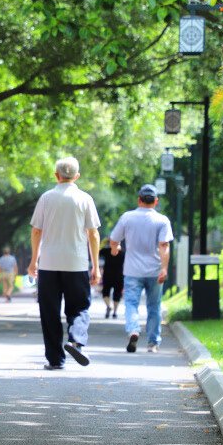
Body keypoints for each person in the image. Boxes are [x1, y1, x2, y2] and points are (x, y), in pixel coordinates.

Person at [28, 157, 101, 370]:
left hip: (49, 264)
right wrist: (95, 266)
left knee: (49, 311)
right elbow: (93, 234)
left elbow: (36, 231)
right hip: (76, 263)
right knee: (79, 307)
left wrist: (34, 261)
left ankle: (55, 359)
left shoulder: (46, 198)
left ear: (56, 175)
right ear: (76, 176)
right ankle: (76, 340)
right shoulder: (84, 198)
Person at [109, 184, 173, 353]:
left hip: (132, 271)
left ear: (139, 200)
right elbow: (164, 245)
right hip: (155, 271)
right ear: (156, 201)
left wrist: (115, 250)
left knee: (131, 303)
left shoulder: (127, 218)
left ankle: (134, 330)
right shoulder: (162, 220)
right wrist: (164, 269)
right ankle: (153, 343)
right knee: (154, 306)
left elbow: (114, 240)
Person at [98, 237, 124, 319]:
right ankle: (115, 312)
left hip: (107, 276)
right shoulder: (123, 253)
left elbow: (97, 251)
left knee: (105, 293)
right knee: (117, 294)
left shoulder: (106, 251)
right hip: (119, 277)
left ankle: (108, 306)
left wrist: (104, 241)